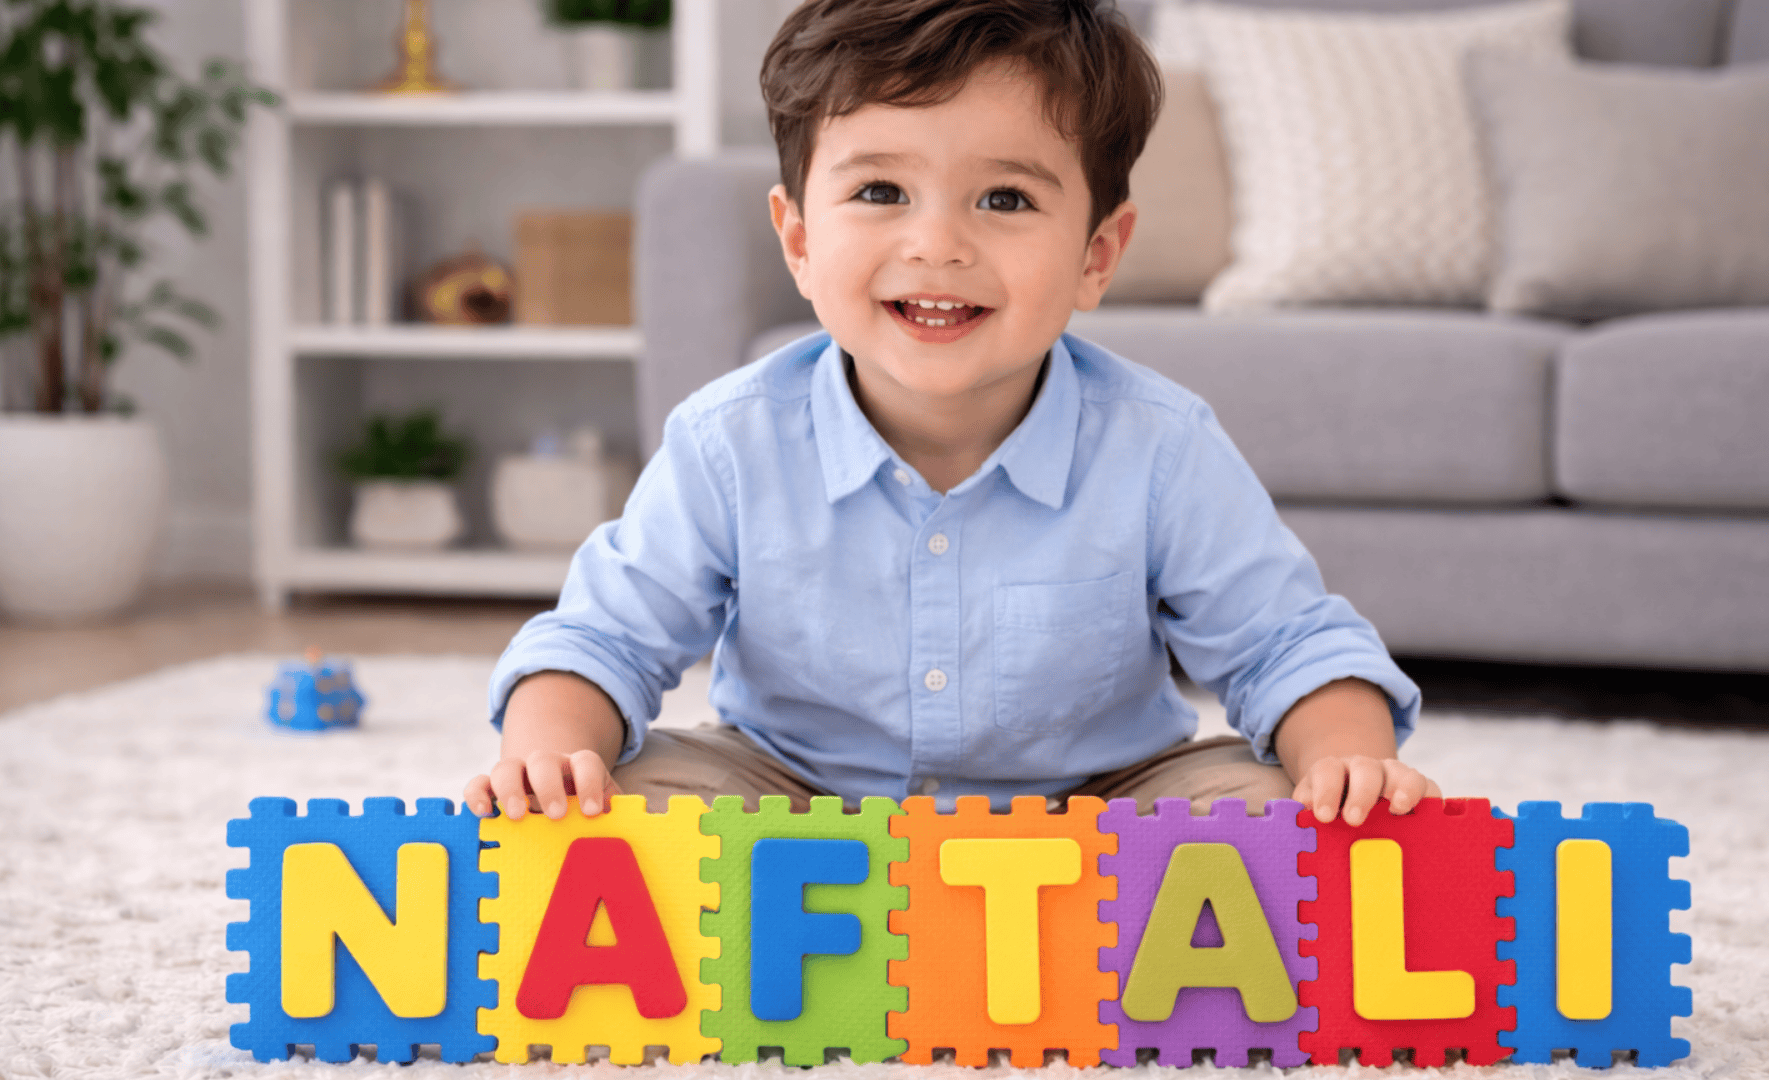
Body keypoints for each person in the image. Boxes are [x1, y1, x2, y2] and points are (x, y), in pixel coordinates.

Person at [464, 0, 1440, 829]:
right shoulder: (730, 441)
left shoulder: (1160, 446)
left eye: (1005, 199)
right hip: (800, 804)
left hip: (1094, 810)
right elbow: (603, 640)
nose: (937, 244)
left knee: (1270, 805)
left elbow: (1288, 645)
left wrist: (1343, 763)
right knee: (623, 799)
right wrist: (549, 753)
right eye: (881, 190)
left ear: (1097, 255)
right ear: (799, 239)